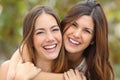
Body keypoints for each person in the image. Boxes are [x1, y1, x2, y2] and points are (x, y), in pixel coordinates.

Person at [4, 0, 114, 80]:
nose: (76, 34)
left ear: (93, 40)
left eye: (86, 31)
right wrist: (13, 70)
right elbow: (26, 50)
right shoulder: (53, 45)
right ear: (64, 24)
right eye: (74, 25)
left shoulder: (92, 71)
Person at [0, 5, 70, 80]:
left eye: (55, 29)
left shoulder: (73, 74)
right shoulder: (8, 69)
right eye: (40, 32)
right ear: (30, 40)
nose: (50, 38)